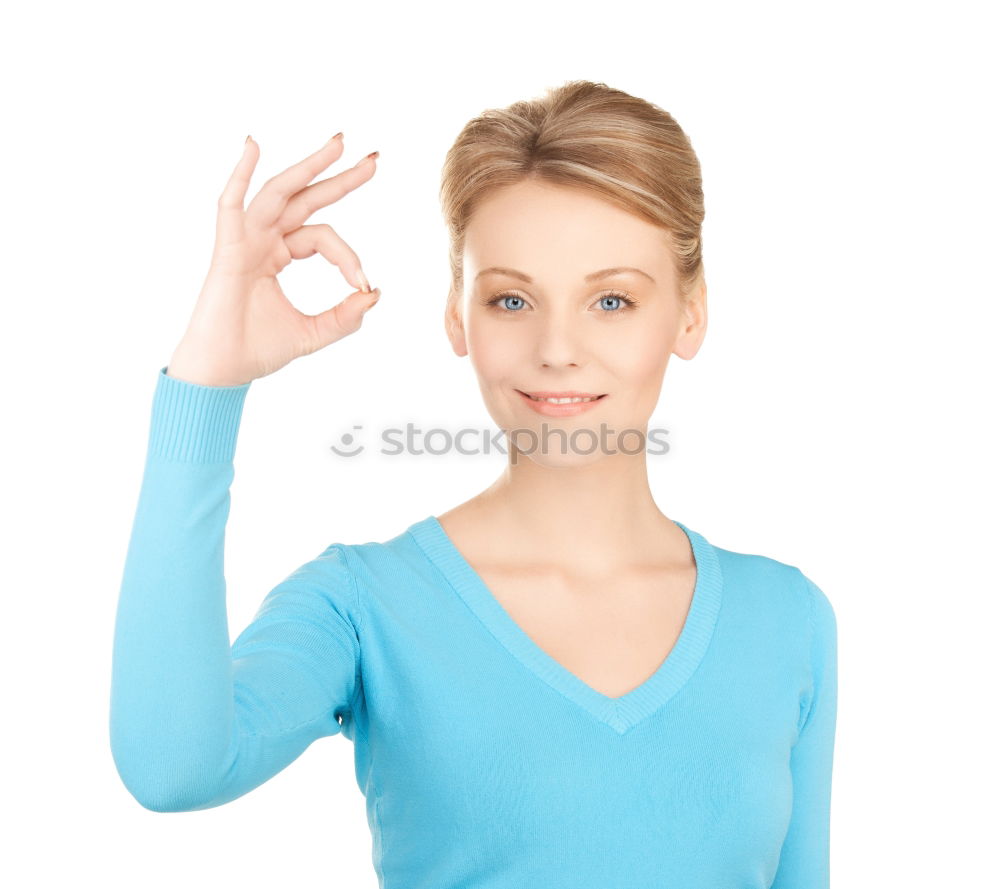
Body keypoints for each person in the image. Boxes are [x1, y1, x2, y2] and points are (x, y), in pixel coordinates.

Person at [110, 81, 838, 889]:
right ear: (458, 315)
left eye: (611, 299)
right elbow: (172, 766)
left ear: (690, 313)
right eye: (512, 298)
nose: (558, 347)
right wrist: (206, 385)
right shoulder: (361, 605)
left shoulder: (787, 619)